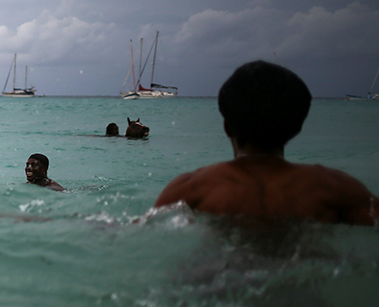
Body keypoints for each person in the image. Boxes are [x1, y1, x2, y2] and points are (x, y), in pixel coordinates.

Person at [154, 61, 377, 225]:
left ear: (227, 127)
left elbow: (140, 228)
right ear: (297, 127)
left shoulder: (192, 187)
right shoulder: (335, 188)